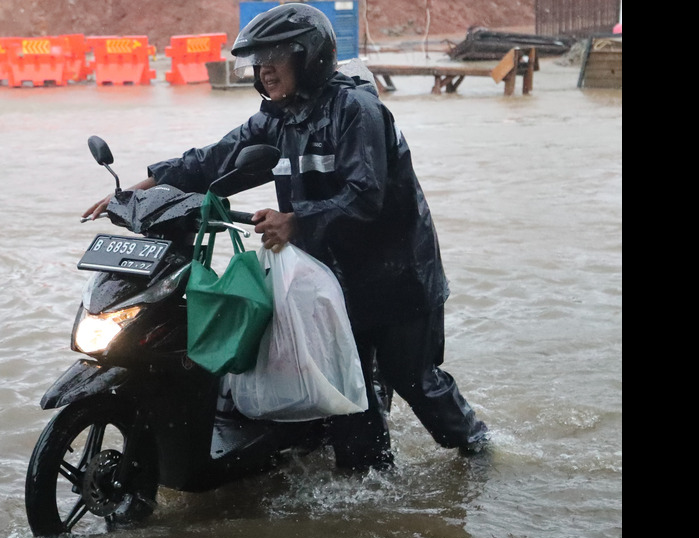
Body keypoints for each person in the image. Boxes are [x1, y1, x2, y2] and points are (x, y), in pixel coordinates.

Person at [82, 3, 490, 470]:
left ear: (309, 57)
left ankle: (477, 449)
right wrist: (139, 190)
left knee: (414, 379)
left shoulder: (358, 110)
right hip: (330, 278)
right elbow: (213, 161)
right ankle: (369, 487)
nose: (264, 70)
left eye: (275, 56)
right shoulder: (275, 118)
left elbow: (366, 196)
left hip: (397, 275)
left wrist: (295, 221)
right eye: (258, 60)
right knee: (341, 388)